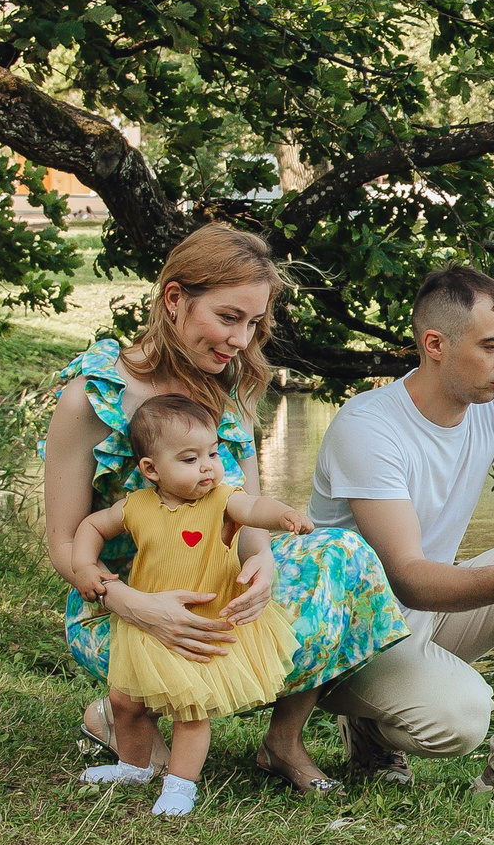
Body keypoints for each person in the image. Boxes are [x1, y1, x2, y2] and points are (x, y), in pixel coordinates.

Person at [43, 224, 411, 794]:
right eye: (228, 317)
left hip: (213, 585)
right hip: (121, 601)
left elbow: (246, 512)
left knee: (344, 552)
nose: (242, 339)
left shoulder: (232, 388)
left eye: (254, 323)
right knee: (160, 718)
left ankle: (283, 743)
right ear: (174, 300)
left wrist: (261, 563)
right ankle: (121, 714)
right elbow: (64, 546)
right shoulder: (90, 399)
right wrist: (138, 605)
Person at [309, 264, 494, 824]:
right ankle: (368, 724)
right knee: (461, 720)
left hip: (424, 619)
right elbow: (408, 576)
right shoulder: (368, 427)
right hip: (347, 638)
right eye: (492, 346)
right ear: (435, 344)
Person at [71, 394, 318, 815]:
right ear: (151, 469)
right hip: (149, 623)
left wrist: (283, 516)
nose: (207, 466)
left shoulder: (223, 499)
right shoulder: (137, 506)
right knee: (125, 702)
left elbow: (255, 507)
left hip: (202, 626)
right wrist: (84, 564)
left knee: (191, 710)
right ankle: (134, 764)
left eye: (212, 453)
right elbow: (93, 525)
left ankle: (182, 784)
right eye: (189, 459)